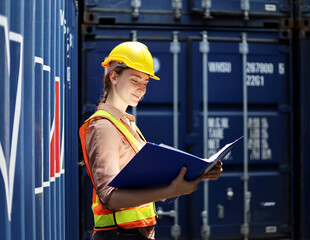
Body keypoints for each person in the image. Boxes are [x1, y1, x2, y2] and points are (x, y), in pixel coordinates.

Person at [79, 41, 223, 240]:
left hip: (133, 234)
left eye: (145, 83)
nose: (141, 89)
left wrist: (195, 174)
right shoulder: (103, 126)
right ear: (114, 76)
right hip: (119, 235)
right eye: (134, 80)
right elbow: (109, 198)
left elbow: (141, 184)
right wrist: (171, 190)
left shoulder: (126, 124)